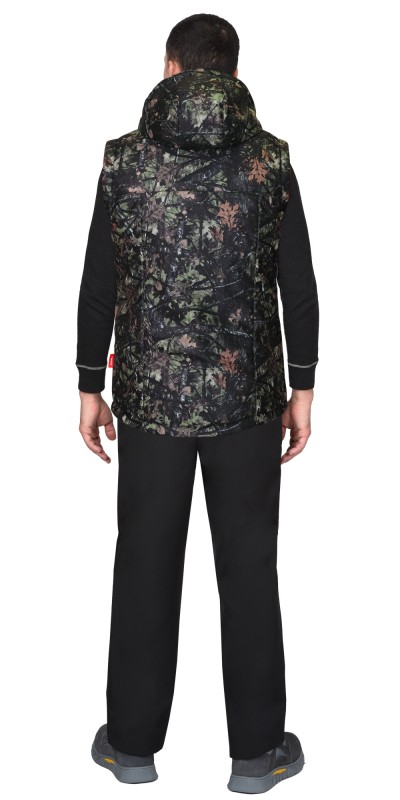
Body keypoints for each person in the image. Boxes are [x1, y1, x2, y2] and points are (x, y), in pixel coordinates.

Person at [76, 12, 319, 794]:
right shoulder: (270, 160)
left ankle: (131, 747)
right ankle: (256, 754)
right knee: (249, 566)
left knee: (144, 561)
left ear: (170, 68)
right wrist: (303, 388)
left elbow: (99, 281)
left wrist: (88, 383)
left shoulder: (124, 160)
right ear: (235, 74)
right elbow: (299, 284)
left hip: (150, 403)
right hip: (249, 401)